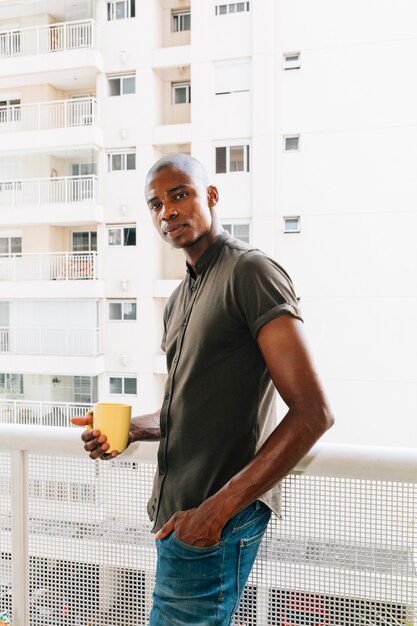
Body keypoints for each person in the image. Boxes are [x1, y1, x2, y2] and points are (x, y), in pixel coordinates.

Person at [72, 154, 334, 625]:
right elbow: (186, 406)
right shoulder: (180, 298)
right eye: (155, 204)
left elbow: (313, 412)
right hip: (180, 518)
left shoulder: (250, 272)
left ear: (211, 197)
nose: (166, 212)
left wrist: (214, 513)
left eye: (180, 195)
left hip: (215, 518)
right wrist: (132, 429)